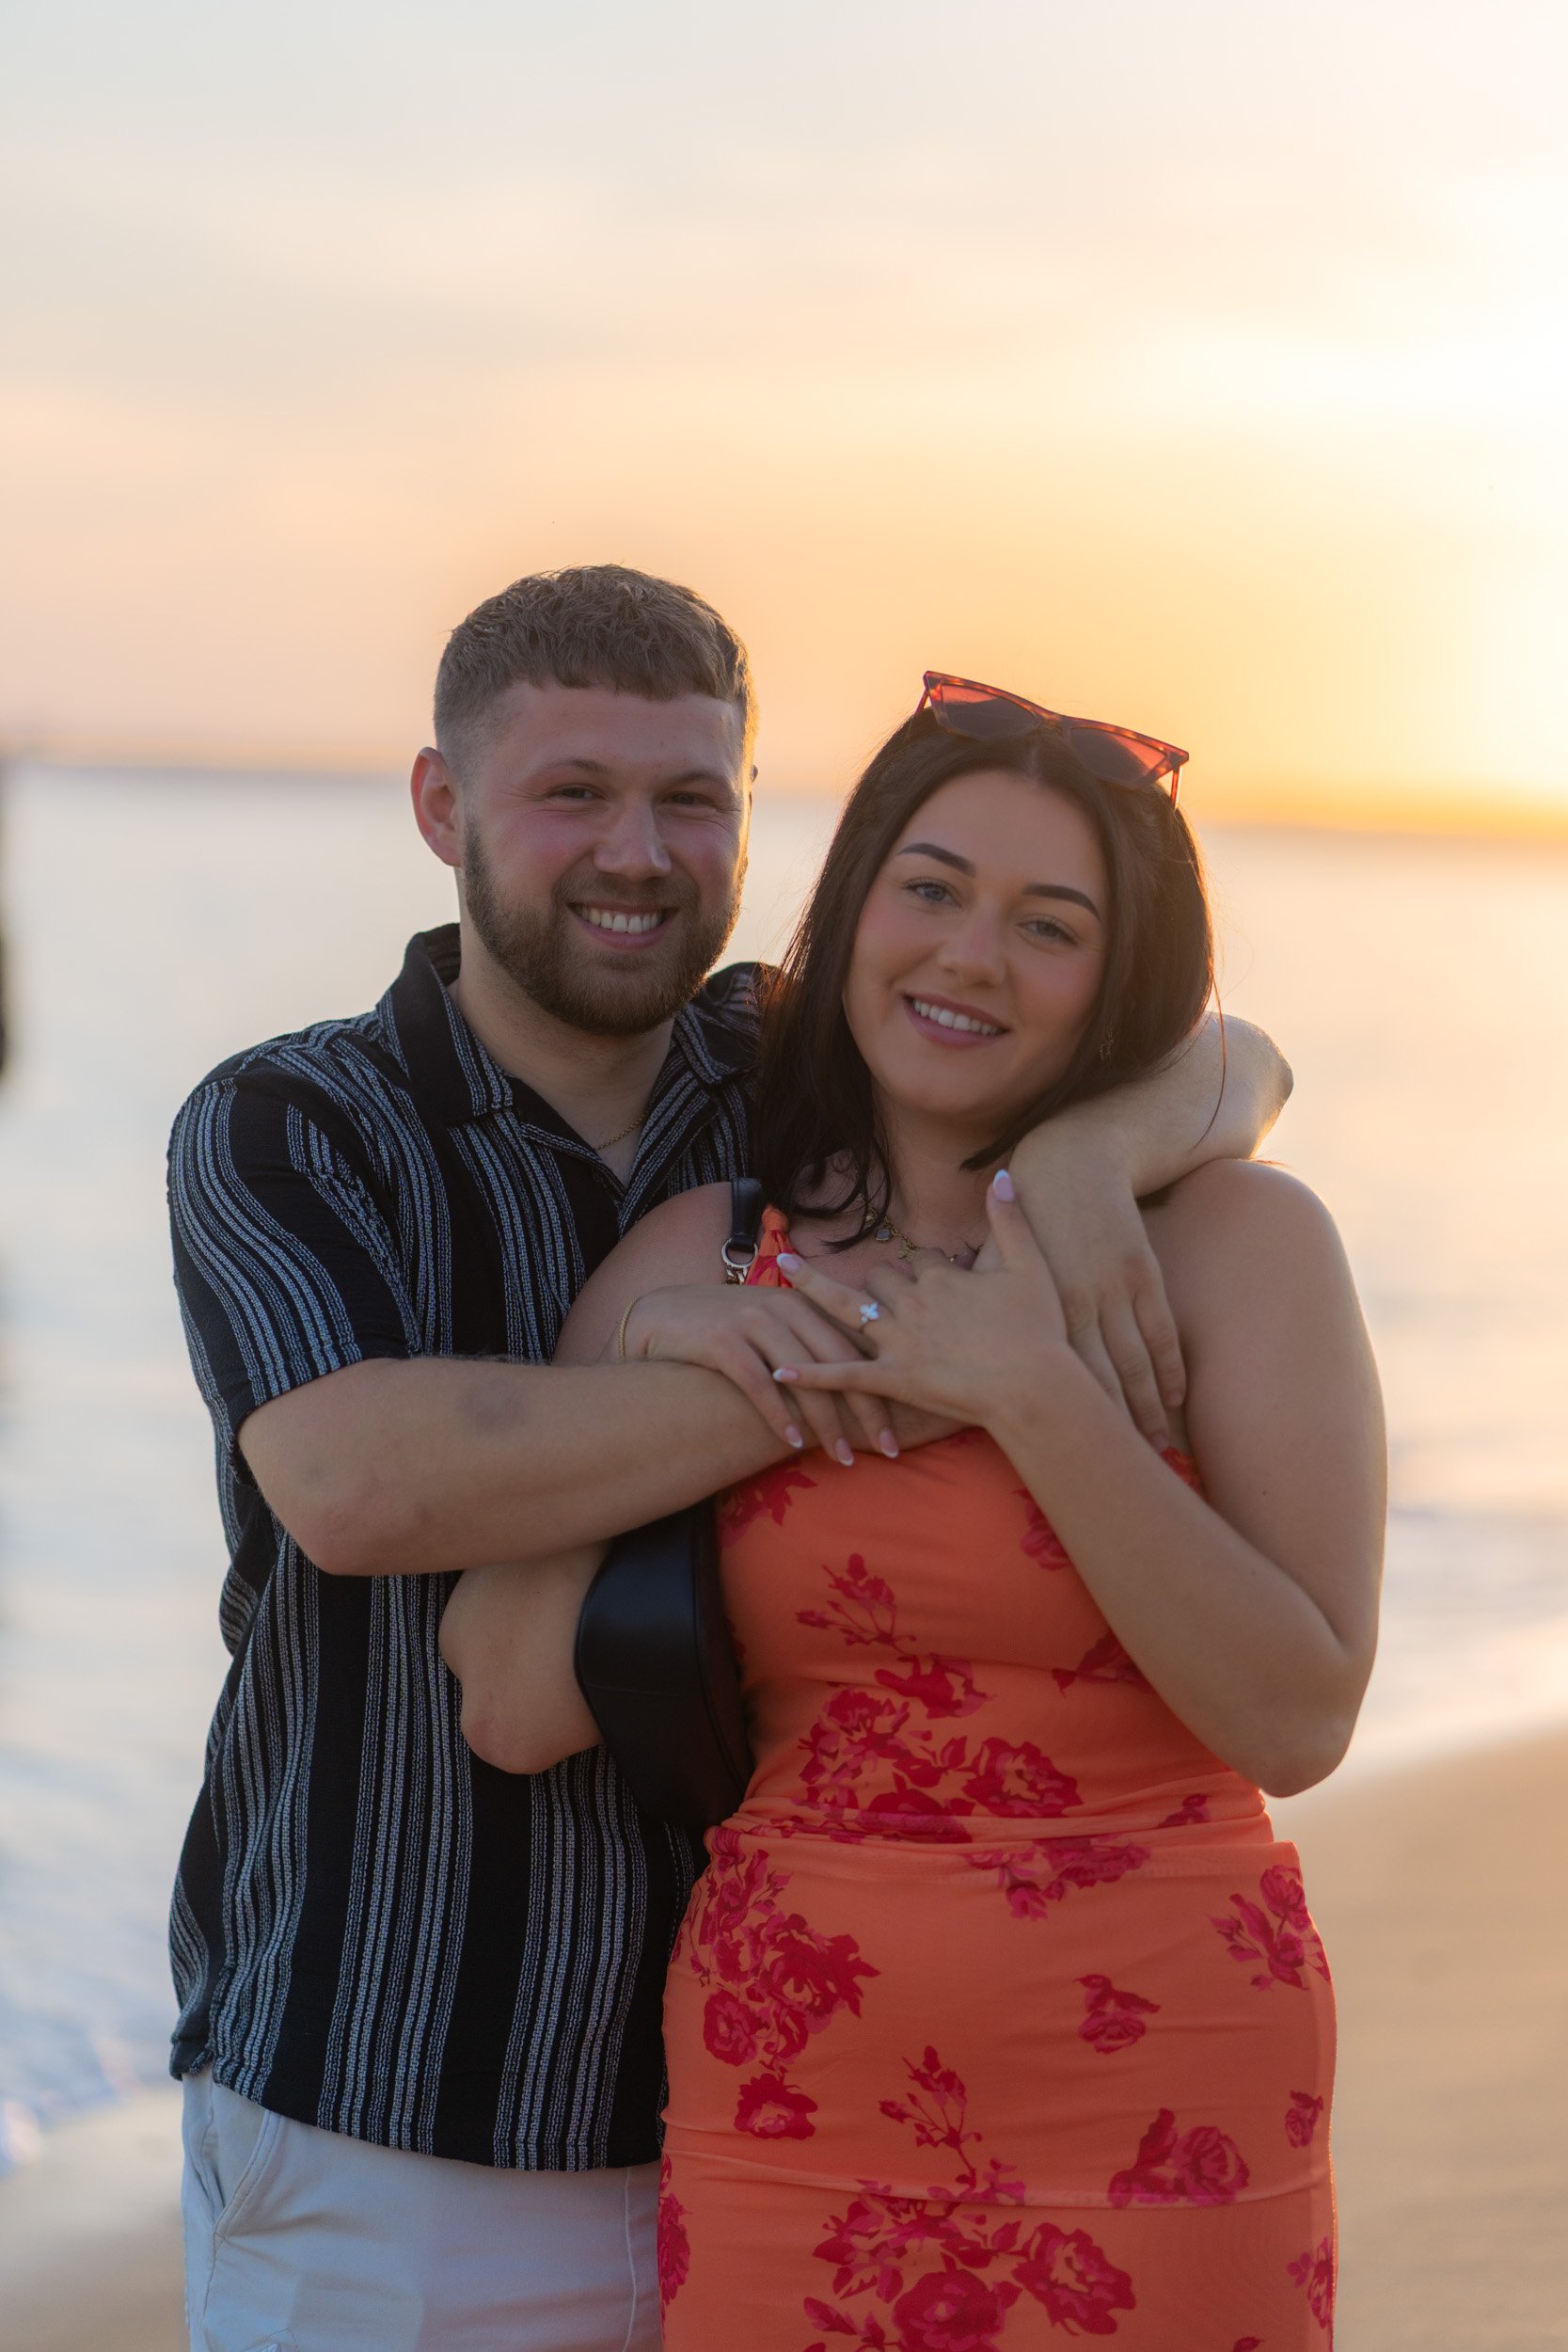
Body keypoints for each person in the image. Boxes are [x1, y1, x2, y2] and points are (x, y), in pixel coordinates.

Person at [166, 570, 1291, 2352]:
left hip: (776, 2097)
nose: (637, 853)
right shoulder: (293, 1123)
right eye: (574, 794)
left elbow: (1227, 1053)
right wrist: (920, 1353)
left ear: (753, 822)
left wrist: (1091, 1160)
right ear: (443, 807)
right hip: (403, 2120)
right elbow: (360, 1490)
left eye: (692, 798)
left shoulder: (794, 1075)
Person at [445, 674, 1383, 2348]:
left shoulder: (1240, 1250)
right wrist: (671, 1374)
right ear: (855, 908)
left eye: (1050, 925)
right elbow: (513, 1700)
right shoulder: (703, 1255)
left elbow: (1298, 1715)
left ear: (1120, 982)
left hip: (1166, 2104)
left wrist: (1034, 1389)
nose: (969, 957)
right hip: (791, 2110)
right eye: (931, 889)